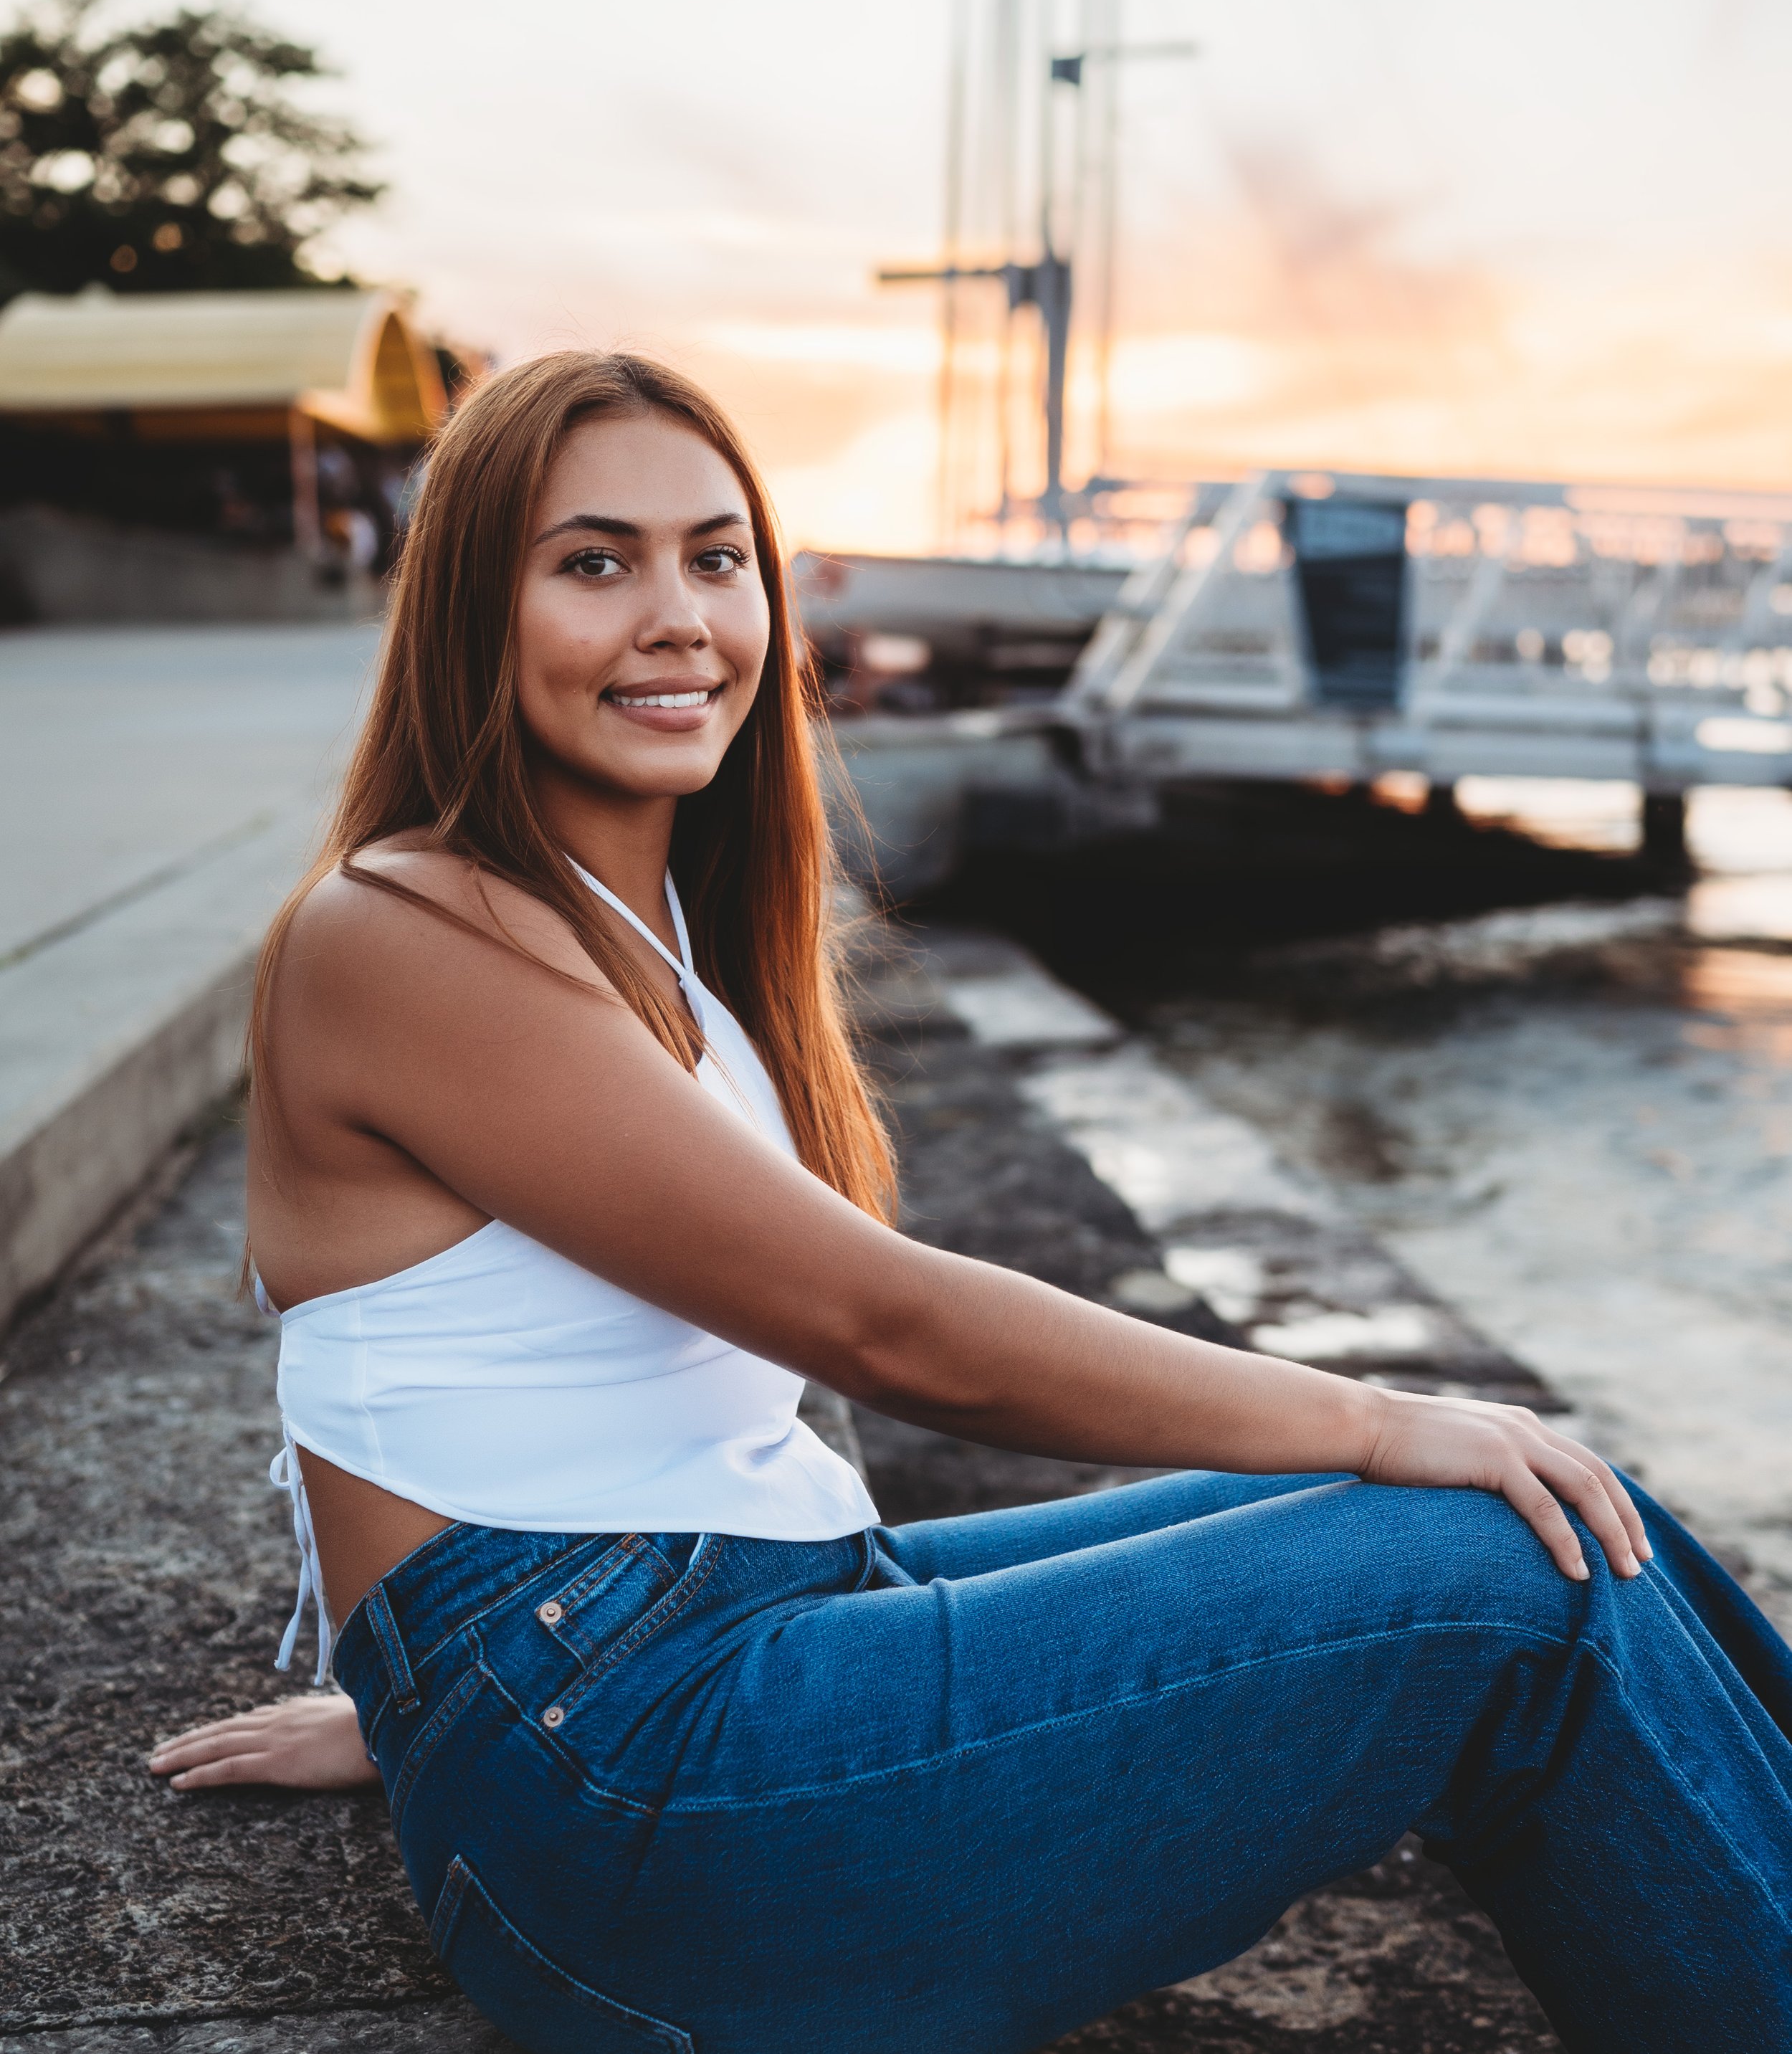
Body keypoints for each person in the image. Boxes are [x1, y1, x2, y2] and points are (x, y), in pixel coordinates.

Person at [149, 352, 1792, 2054]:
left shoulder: (633, 941)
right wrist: (1372, 1418)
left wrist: (407, 1699)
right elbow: (883, 1320)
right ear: (467, 613)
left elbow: (485, 1399)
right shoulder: (404, 931)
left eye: (718, 559)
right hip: (625, 1781)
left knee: (1582, 1505)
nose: (678, 617)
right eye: (592, 562)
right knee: (1500, 1571)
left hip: (688, 1642)